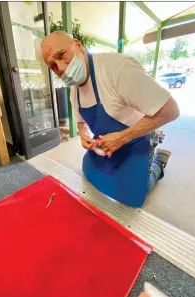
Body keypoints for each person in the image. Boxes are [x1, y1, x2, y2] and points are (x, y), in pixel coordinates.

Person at [41, 31, 180, 207]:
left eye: (62, 55)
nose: (60, 68)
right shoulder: (74, 89)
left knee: (133, 196)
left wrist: (122, 137)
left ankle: (158, 162)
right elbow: (80, 119)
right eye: (53, 66)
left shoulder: (117, 68)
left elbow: (171, 110)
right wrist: (83, 135)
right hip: (107, 143)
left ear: (78, 45)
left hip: (138, 137)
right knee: (88, 172)